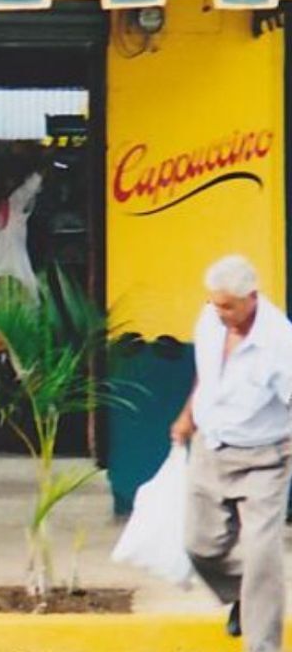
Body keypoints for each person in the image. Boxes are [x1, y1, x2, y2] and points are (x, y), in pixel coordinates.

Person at [170, 254, 292, 652]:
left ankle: (263, 644)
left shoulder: (279, 343)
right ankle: (248, 591)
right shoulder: (209, 320)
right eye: (213, 302)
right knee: (199, 545)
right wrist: (188, 416)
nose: (217, 311)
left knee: (262, 554)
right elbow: (207, 375)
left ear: (251, 298)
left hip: (265, 458)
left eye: (227, 305)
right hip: (211, 447)